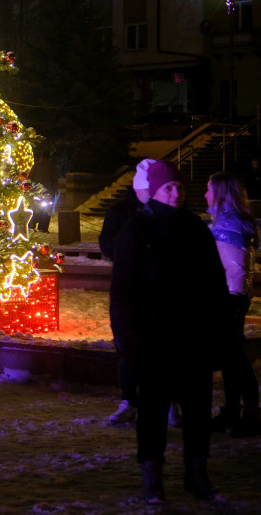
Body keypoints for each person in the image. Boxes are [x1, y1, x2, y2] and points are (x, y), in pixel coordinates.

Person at [110, 160, 231, 503]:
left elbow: (215, 280)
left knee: (197, 409)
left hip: (193, 334)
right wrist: (127, 337)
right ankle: (153, 479)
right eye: (168, 187)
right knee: (152, 412)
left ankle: (197, 474)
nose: (176, 193)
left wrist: (219, 326)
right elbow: (123, 290)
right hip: (154, 337)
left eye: (179, 187)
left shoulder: (194, 227)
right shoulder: (136, 230)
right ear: (155, 191)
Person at [205, 172, 261, 438]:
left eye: (208, 190)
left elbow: (231, 269)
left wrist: (231, 301)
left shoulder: (228, 225)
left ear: (220, 193)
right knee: (232, 358)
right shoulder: (236, 222)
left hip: (229, 299)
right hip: (235, 297)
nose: (205, 195)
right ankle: (234, 412)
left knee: (235, 359)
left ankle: (248, 416)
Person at [99, 158, 154, 426]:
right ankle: (129, 399)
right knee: (128, 349)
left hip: (156, 290)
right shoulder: (121, 212)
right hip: (128, 290)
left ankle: (167, 401)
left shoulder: (164, 212)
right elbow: (107, 244)